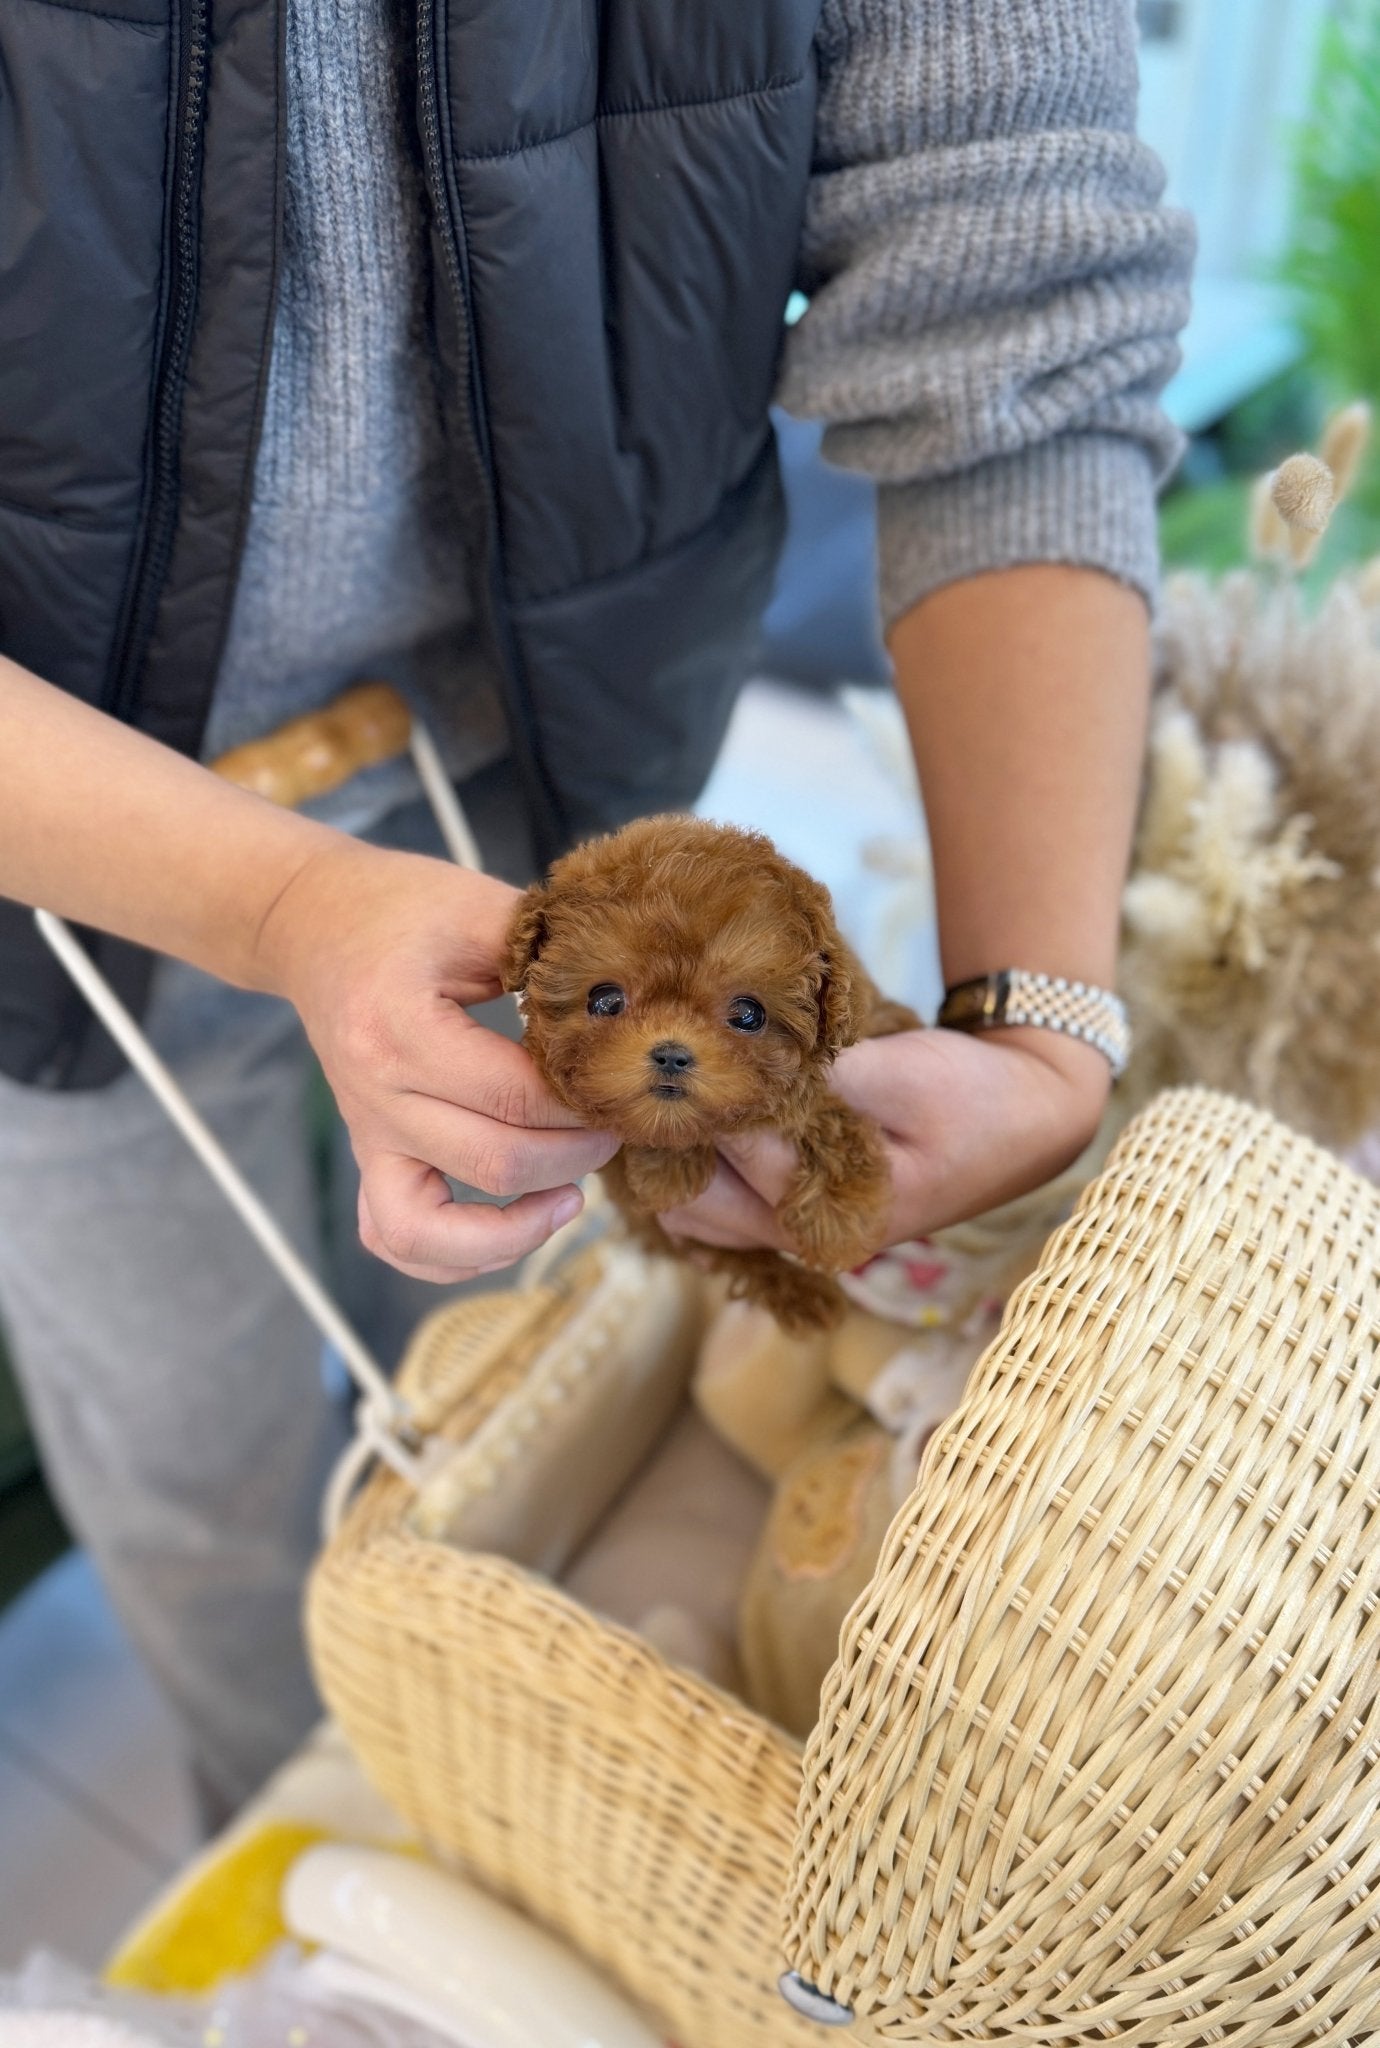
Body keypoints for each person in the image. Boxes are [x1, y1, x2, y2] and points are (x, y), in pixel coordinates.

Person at [0, 0, 1193, 1816]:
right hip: (47, 865)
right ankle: (299, 1818)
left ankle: (493, 1791)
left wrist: (1044, 1019)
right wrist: (280, 901)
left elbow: (1012, 291)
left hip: (556, 770)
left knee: (512, 1375)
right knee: (194, 1466)